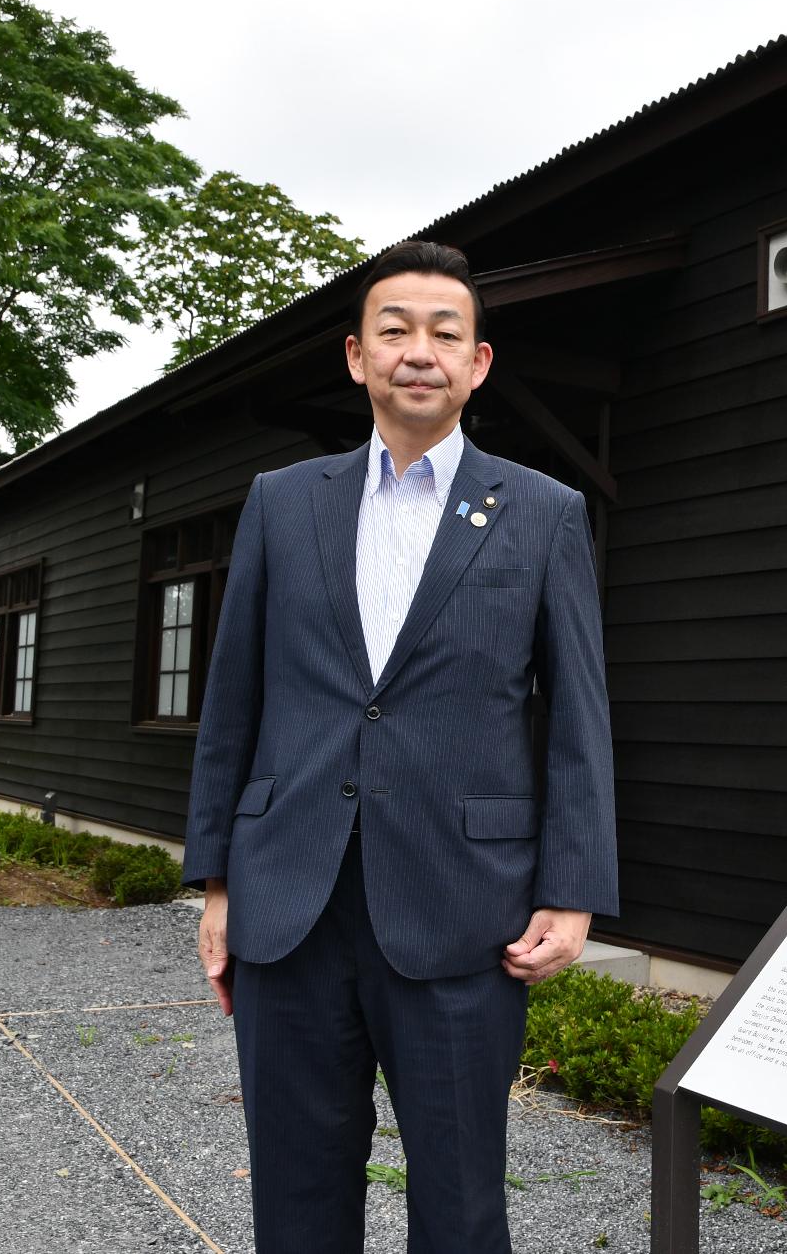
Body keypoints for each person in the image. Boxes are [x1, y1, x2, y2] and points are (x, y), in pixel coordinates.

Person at [179, 240, 618, 1254]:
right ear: (354, 356)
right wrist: (215, 879)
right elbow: (233, 700)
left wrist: (572, 887)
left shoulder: (543, 513)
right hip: (289, 898)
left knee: (461, 1198)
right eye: (393, 330)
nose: (416, 351)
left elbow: (577, 717)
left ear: (477, 364)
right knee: (293, 1187)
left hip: (465, 906)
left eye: (443, 333)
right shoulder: (281, 503)